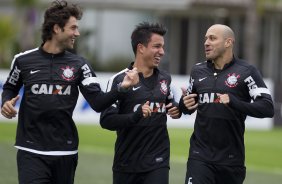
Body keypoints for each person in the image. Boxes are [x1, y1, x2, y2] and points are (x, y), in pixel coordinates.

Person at [0, 1, 139, 183]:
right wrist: (6, 102)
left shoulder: (80, 65)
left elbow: (97, 103)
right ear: (57, 28)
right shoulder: (22, 61)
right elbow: (10, 87)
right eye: (73, 28)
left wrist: (122, 88)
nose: (77, 33)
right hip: (30, 150)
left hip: (65, 151)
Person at [179, 24, 274, 184]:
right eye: (205, 39)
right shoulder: (197, 71)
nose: (206, 43)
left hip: (231, 160)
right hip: (199, 156)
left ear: (228, 42)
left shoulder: (247, 71)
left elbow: (267, 108)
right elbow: (188, 107)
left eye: (212, 38)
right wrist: (184, 104)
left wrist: (234, 102)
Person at [100, 22, 181, 184]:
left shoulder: (165, 78)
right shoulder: (118, 80)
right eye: (157, 46)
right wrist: (135, 116)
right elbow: (107, 121)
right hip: (127, 163)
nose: (162, 52)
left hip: (158, 160)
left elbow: (171, 105)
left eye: (163, 47)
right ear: (141, 48)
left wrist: (179, 109)